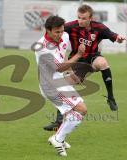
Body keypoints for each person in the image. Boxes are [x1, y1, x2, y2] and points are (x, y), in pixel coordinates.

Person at [43, 4, 126, 131]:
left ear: (90, 18)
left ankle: (111, 97)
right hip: (78, 64)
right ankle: (58, 121)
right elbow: (57, 32)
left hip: (93, 58)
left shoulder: (99, 27)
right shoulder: (71, 26)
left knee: (102, 63)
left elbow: (113, 35)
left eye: (83, 18)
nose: (80, 20)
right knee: (62, 86)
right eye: (79, 17)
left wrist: (119, 38)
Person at [35, 15, 87, 157]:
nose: (60, 34)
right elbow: (59, 67)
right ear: (48, 30)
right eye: (56, 32)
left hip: (59, 81)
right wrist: (78, 55)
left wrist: (71, 73)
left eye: (61, 31)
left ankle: (60, 139)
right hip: (50, 85)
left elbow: (63, 55)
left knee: (70, 114)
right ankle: (57, 139)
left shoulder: (64, 36)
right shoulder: (42, 47)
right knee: (81, 109)